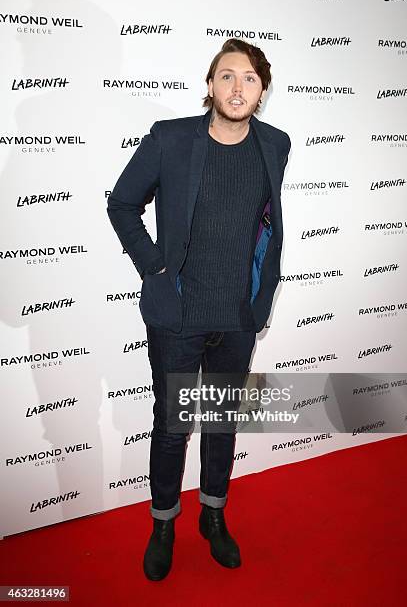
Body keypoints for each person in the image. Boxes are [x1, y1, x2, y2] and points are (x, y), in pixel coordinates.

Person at [107, 38, 291, 581]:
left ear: (262, 92)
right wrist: (155, 269)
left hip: (237, 315)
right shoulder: (170, 139)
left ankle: (214, 515)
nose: (238, 87)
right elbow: (121, 203)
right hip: (179, 316)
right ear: (210, 85)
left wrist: (260, 299)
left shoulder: (276, 145)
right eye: (228, 76)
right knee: (171, 427)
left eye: (250, 79)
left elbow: (264, 225)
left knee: (221, 423)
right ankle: (163, 522)